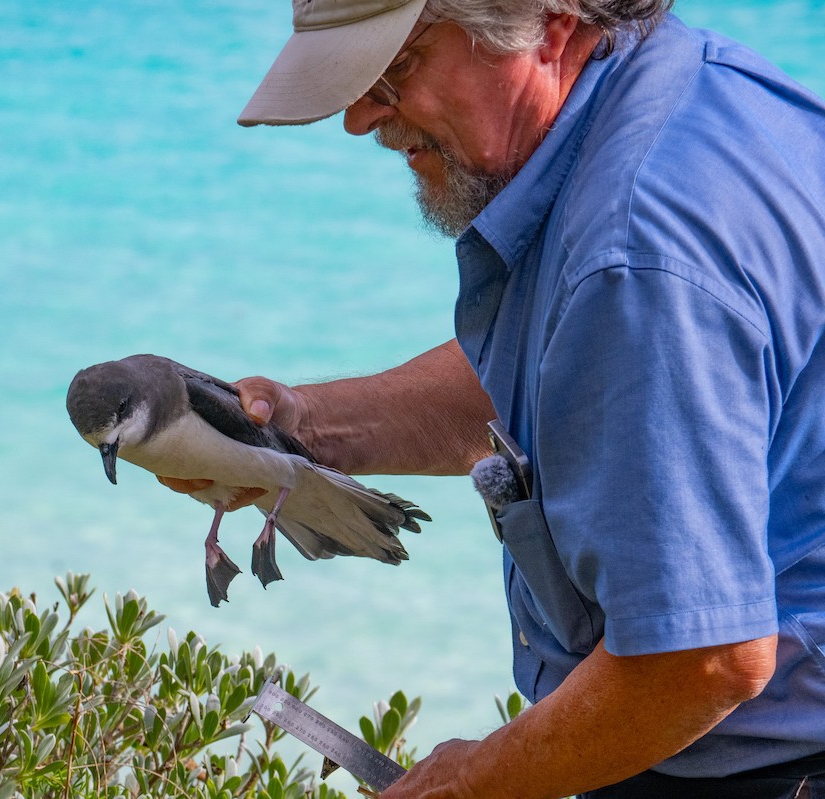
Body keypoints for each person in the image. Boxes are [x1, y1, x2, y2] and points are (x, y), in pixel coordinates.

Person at [160, 1, 825, 796]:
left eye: (395, 68)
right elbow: (587, 370)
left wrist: (473, 779)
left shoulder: (633, 256)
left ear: (546, 23)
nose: (360, 115)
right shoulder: (685, 88)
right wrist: (304, 431)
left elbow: (701, 659)